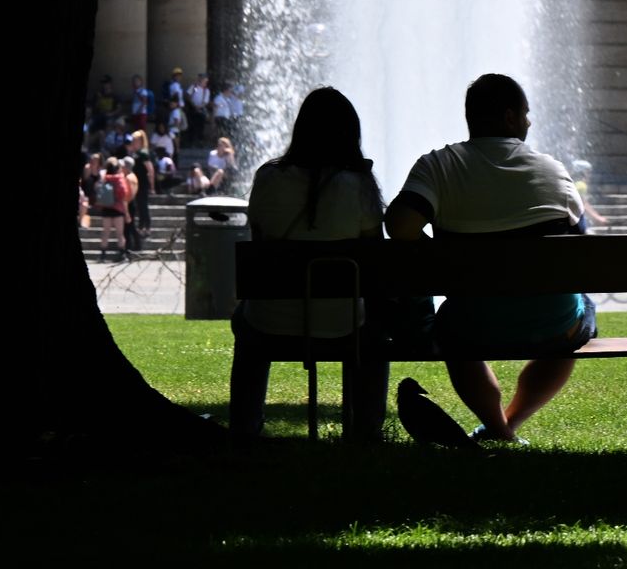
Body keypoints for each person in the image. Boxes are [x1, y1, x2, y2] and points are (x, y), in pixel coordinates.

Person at [385, 73, 594, 444]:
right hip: (554, 324)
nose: (529, 122)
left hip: (471, 324)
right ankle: (507, 427)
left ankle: (498, 429)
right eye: (526, 114)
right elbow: (578, 246)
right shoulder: (553, 170)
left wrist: (435, 248)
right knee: (581, 316)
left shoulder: (438, 166)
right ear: (511, 117)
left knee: (452, 330)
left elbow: (400, 227)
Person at [231, 87, 391, 441]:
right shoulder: (359, 186)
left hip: (271, 319)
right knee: (375, 334)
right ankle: (366, 430)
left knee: (244, 322)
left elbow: (261, 244)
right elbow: (374, 258)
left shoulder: (268, 178)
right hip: (342, 321)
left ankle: (244, 427)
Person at [92, 157, 132, 261]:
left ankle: (103, 255)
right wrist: (126, 213)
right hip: (117, 209)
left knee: (105, 232)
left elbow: (97, 189)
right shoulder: (120, 179)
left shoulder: (104, 178)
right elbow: (123, 195)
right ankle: (122, 254)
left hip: (106, 207)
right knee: (119, 233)